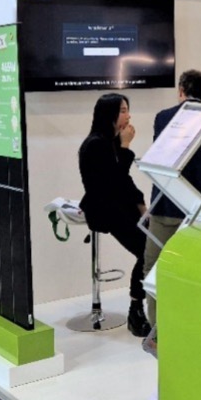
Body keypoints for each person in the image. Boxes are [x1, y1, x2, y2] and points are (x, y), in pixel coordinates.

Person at [145, 70, 201, 332]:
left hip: (167, 205)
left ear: (181, 90)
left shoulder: (163, 118)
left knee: (155, 267)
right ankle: (197, 327)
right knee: (200, 271)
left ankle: (158, 330)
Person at [78, 93, 150, 338]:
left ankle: (140, 305)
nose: (128, 116)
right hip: (105, 209)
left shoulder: (110, 141)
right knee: (146, 251)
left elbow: (125, 182)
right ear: (108, 114)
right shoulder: (95, 144)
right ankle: (136, 309)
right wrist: (126, 147)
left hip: (121, 206)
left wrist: (141, 206)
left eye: (127, 110)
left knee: (151, 247)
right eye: (122, 111)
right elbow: (113, 181)